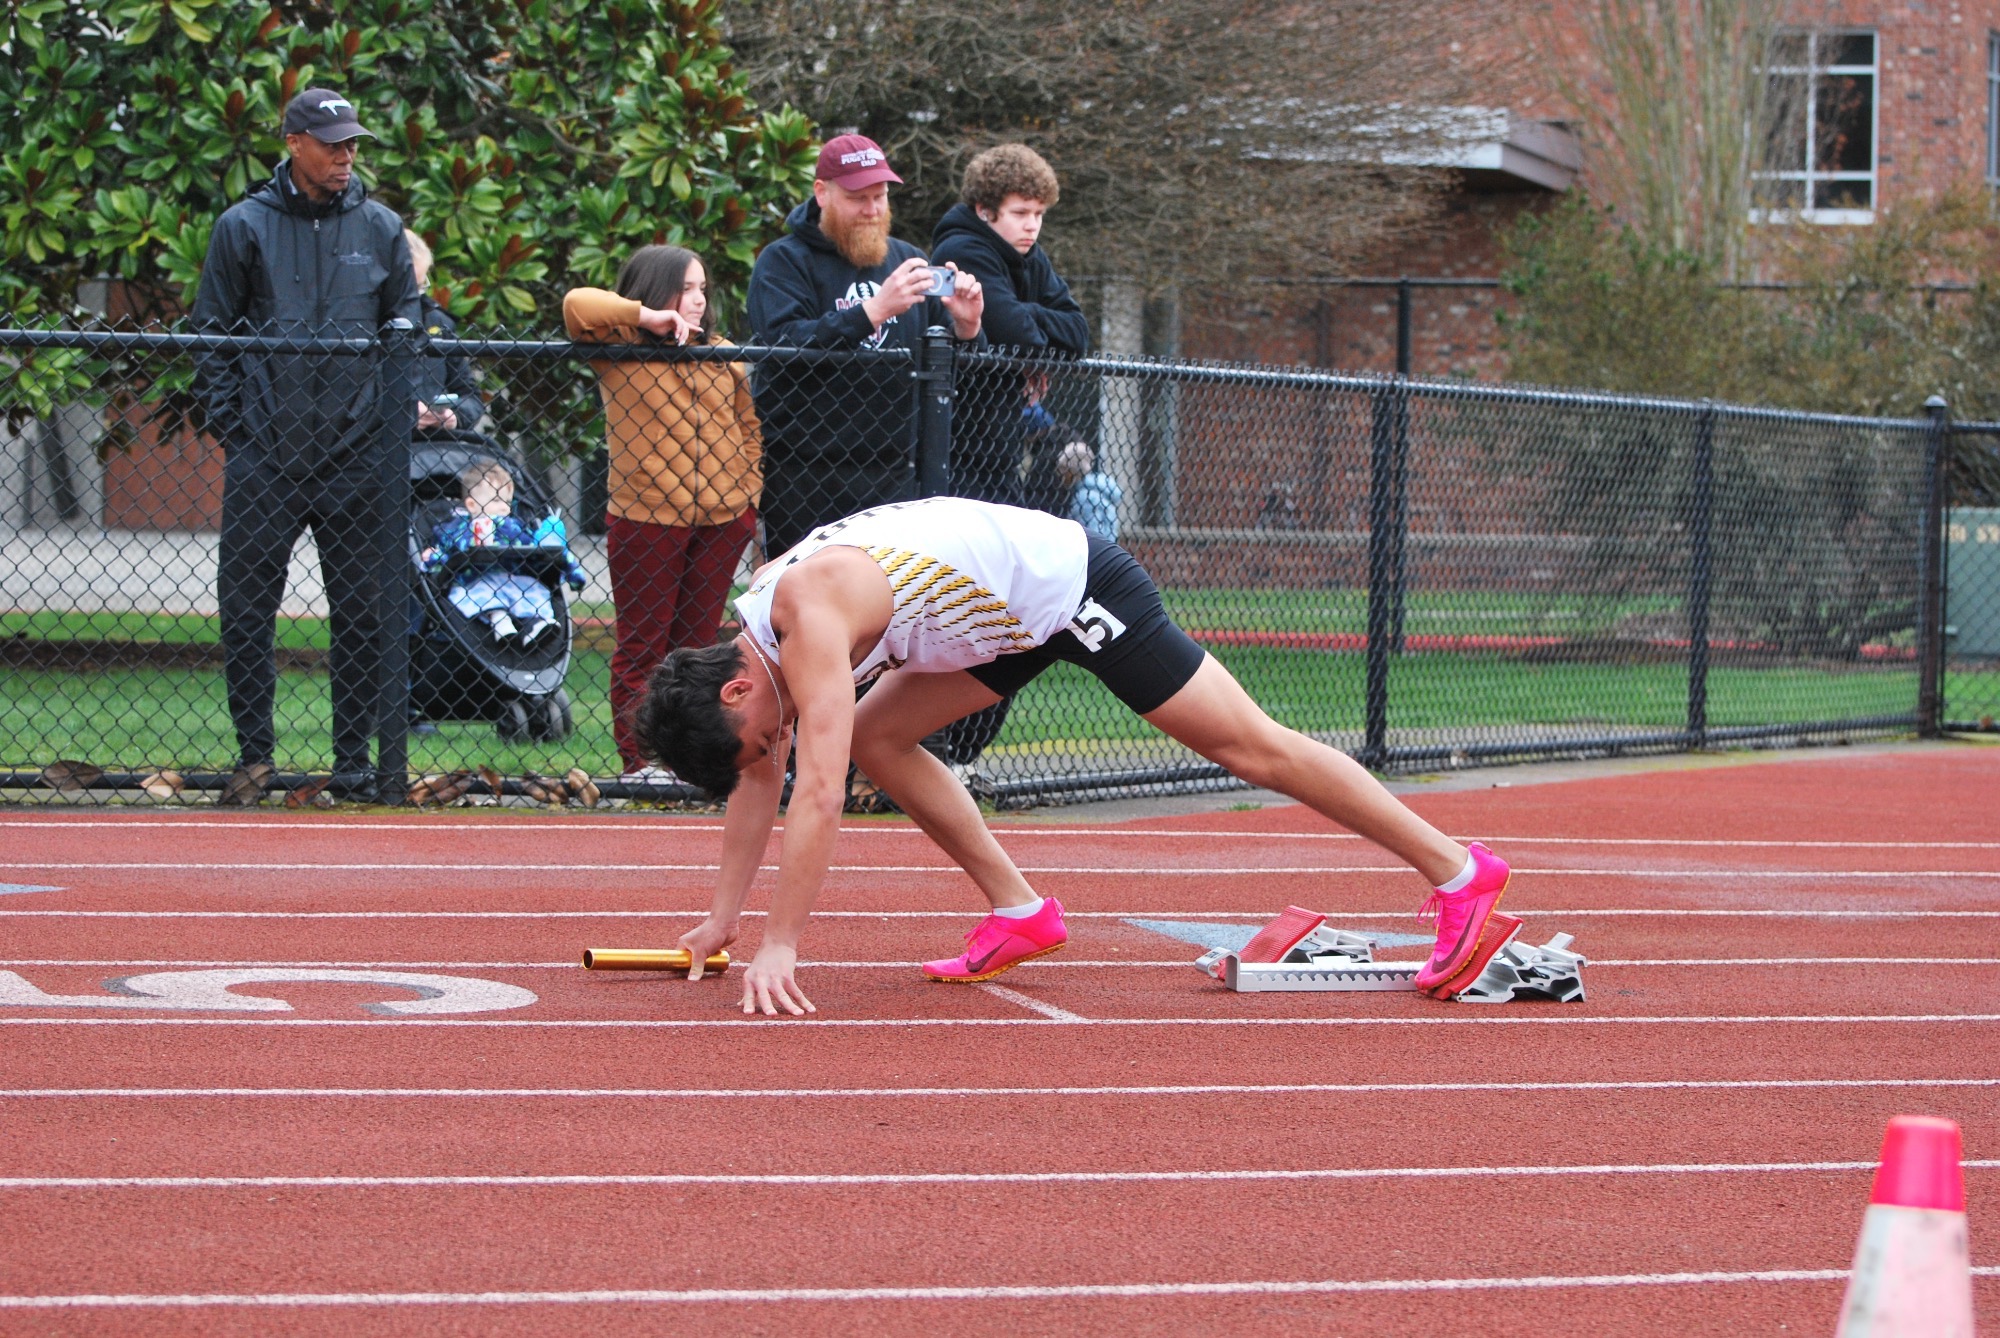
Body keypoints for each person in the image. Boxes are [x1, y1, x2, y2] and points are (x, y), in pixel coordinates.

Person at [635, 497, 1514, 1017]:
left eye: (766, 738)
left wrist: (782, 944)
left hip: (1076, 587)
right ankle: (1019, 910)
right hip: (1001, 616)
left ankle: (1455, 869)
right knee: (879, 734)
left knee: (1251, 747)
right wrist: (722, 920)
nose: (775, 752)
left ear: (737, 692)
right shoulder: (758, 654)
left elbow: (816, 794)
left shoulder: (807, 617)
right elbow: (759, 782)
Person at [190, 88, 420, 805]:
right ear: (294, 143)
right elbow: (211, 333)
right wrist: (239, 425)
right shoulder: (243, 226)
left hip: (357, 461)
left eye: (353, 142)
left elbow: (405, 328)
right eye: (332, 143)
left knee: (363, 612)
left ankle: (355, 765)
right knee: (247, 608)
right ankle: (254, 758)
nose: (346, 155)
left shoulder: (382, 229)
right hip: (267, 455)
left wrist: (380, 429)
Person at [564, 246, 763, 778]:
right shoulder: (616, 346)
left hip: (723, 520)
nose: (697, 300)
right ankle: (640, 763)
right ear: (655, 291)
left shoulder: (723, 352)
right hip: (646, 517)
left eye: (702, 289)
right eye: (685, 289)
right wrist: (646, 317)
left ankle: (686, 763)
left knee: (698, 650)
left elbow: (748, 429)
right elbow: (577, 304)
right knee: (642, 646)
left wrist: (748, 497)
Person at [745, 134, 986, 555]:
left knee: (892, 608)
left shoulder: (906, 259)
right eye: (859, 198)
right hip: (806, 476)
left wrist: (967, 328)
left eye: (881, 196)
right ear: (822, 193)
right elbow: (783, 346)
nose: (873, 210)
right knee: (806, 607)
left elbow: (950, 370)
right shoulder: (784, 260)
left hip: (894, 475)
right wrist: (871, 312)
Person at [928, 144, 1090, 505]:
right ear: (985, 211)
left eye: (1038, 213)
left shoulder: (1032, 256)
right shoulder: (962, 250)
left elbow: (1078, 333)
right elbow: (1022, 337)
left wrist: (1022, 313)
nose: (1032, 225)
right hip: (958, 446)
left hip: (1002, 442)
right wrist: (1030, 337)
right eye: (1020, 213)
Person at [419, 460, 587, 646]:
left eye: (508, 502)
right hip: (474, 581)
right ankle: (501, 623)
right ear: (472, 505)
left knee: (534, 589)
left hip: (511, 579)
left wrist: (562, 561)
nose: (504, 508)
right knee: (486, 594)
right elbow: (444, 551)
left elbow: (532, 547)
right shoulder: (456, 528)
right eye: (496, 501)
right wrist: (431, 558)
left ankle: (537, 624)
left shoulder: (513, 527)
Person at [404, 229, 483, 437]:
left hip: (439, 448)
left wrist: (453, 416)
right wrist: (407, 415)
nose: (419, 296)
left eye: (423, 286)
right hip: (380, 451)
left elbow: (470, 395)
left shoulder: (438, 322)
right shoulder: (364, 325)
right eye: (413, 287)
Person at [1058, 439, 1123, 541]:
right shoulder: (1098, 491)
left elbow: (1091, 535)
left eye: (1064, 469)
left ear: (1072, 471)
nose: (1061, 474)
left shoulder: (1086, 497)